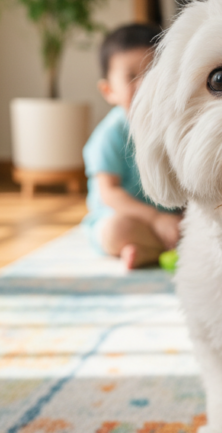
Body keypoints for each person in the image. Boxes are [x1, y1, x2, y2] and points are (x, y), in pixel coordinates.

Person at [82, 24, 182, 269]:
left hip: (171, 217)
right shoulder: (111, 134)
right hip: (126, 215)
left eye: (151, 73)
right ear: (109, 91)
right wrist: (155, 218)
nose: (144, 85)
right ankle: (170, 246)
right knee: (116, 231)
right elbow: (109, 193)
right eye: (131, 77)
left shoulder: (174, 125)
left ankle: (150, 250)